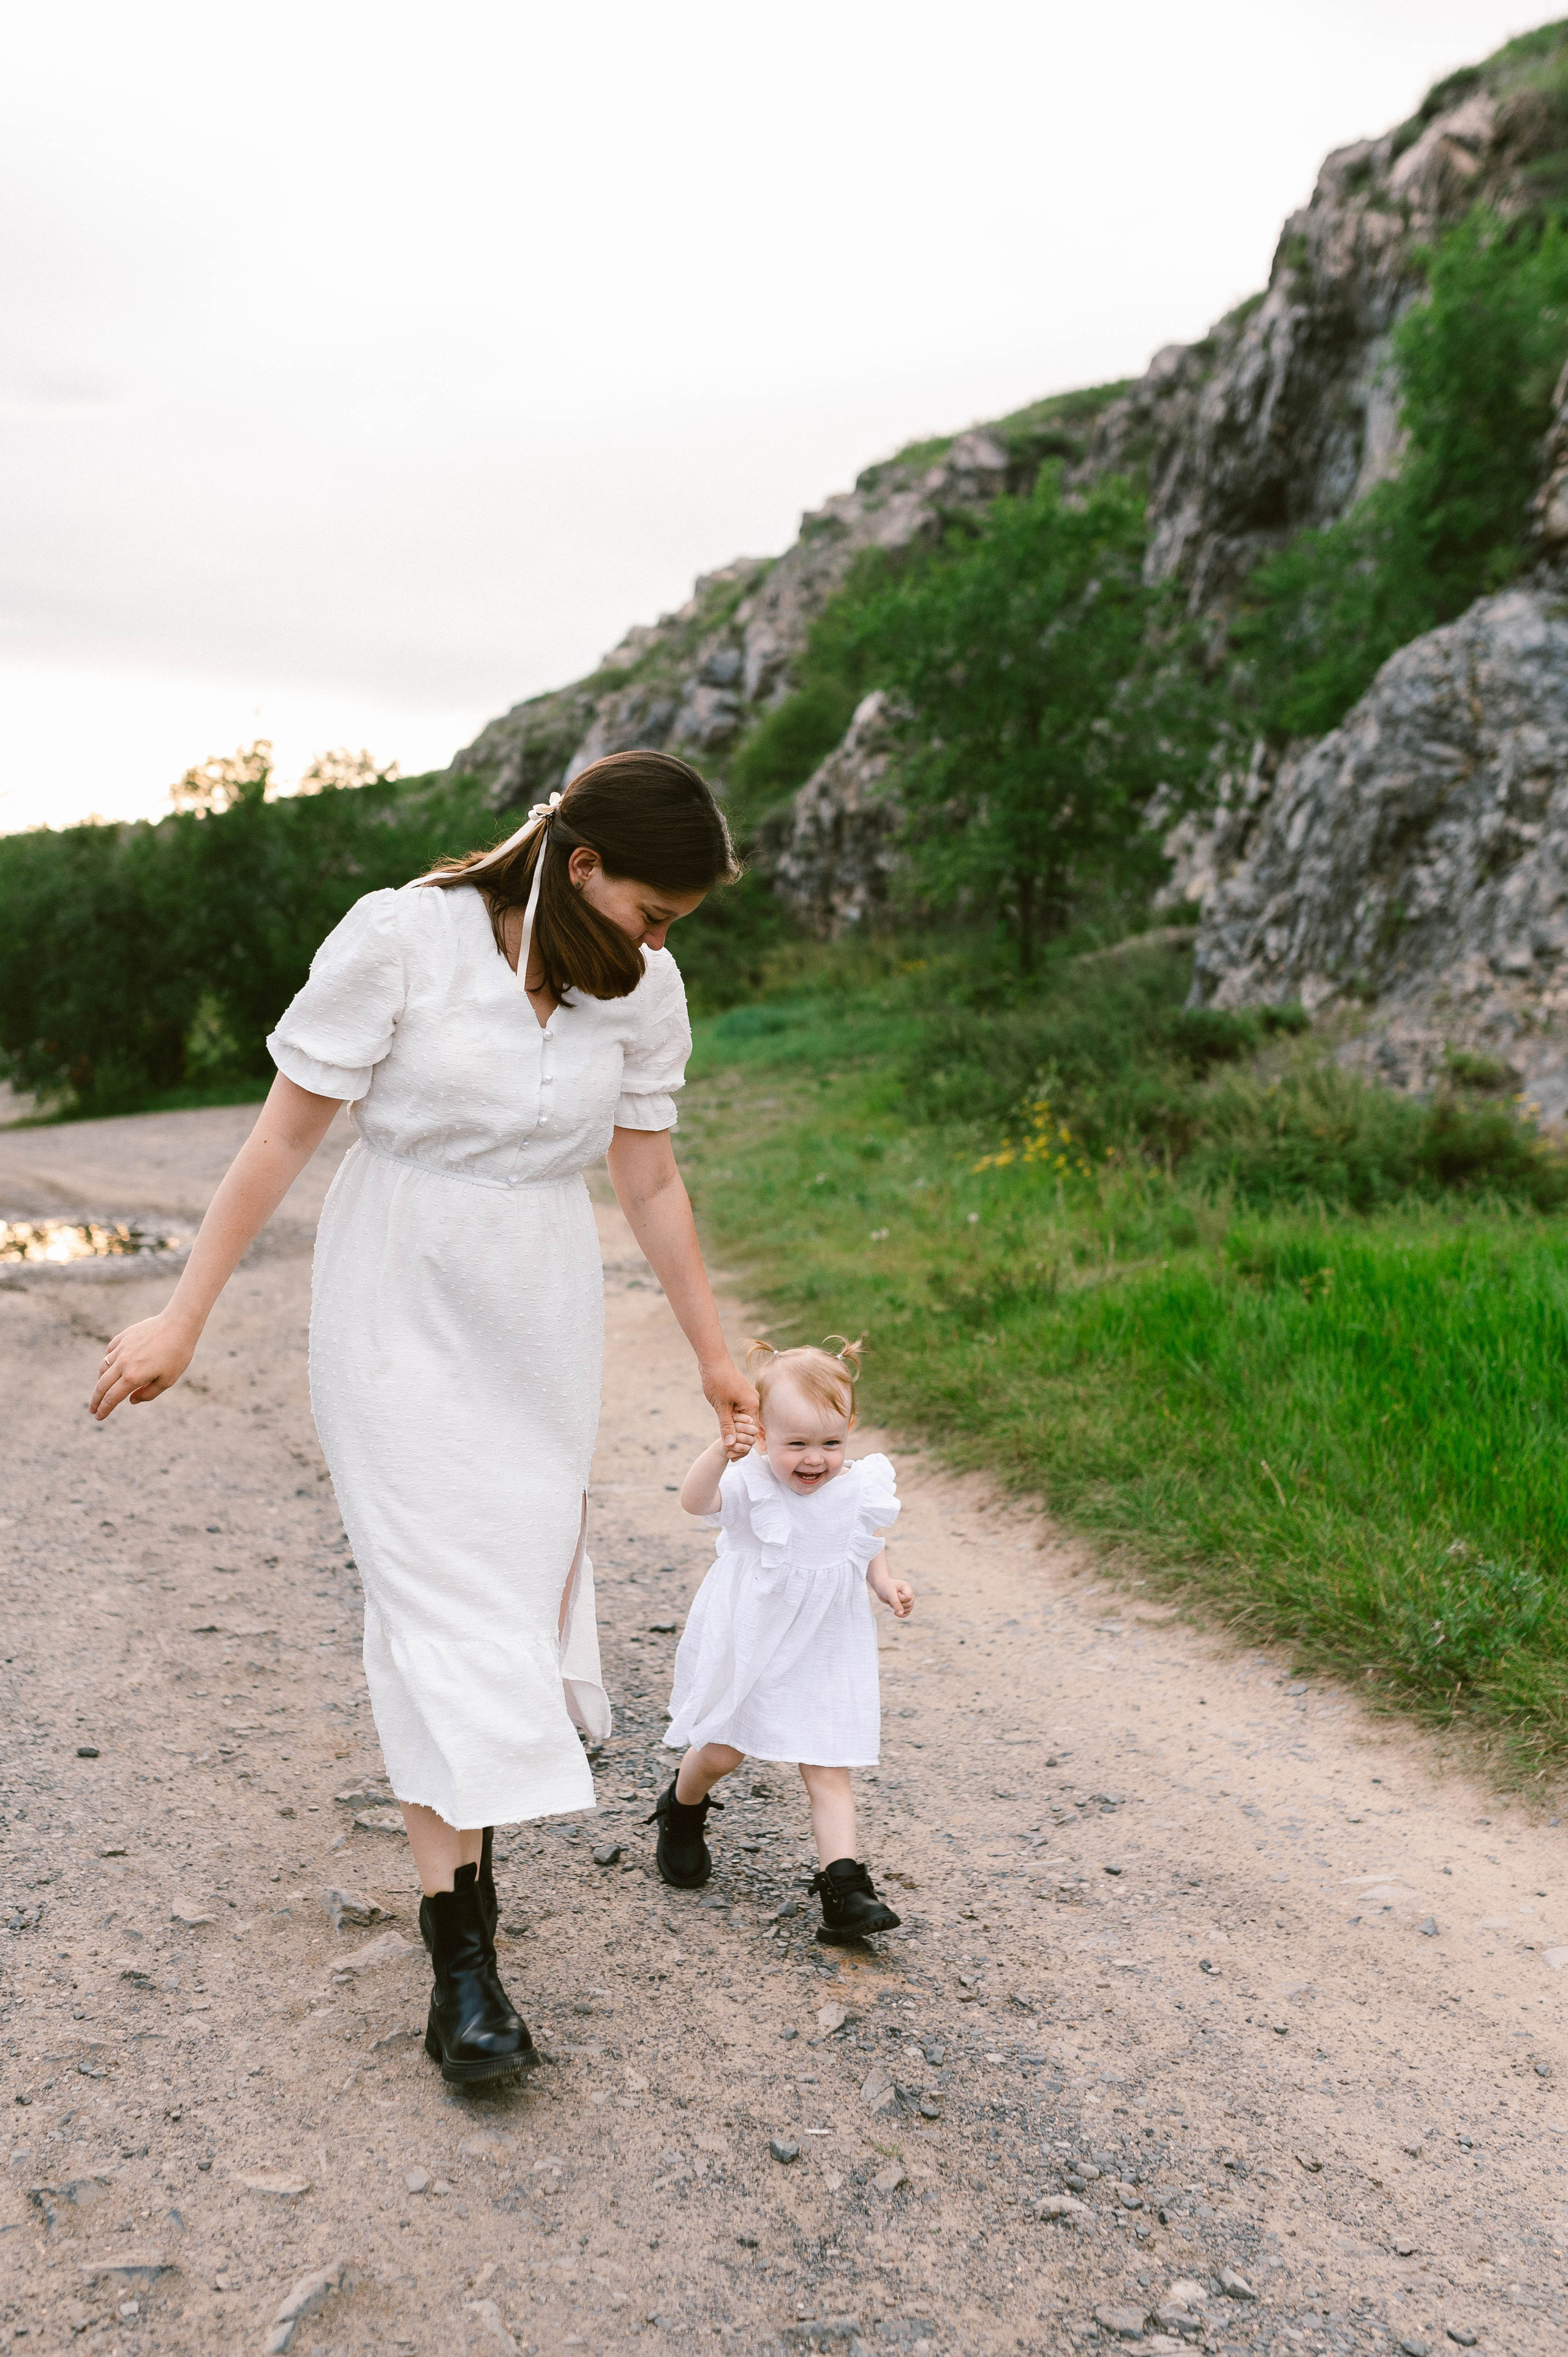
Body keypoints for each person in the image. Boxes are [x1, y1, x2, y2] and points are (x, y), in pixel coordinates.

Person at [88, 750, 758, 2085]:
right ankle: (465, 1963)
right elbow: (279, 1140)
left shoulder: (643, 991)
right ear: (582, 868)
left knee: (504, 1606)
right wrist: (181, 1317)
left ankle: (470, 1931)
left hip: (535, 1312)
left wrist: (713, 1355)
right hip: (394, 1294)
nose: (660, 939)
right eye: (651, 910)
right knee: (432, 1606)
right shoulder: (403, 939)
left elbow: (653, 1182)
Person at [654, 1337, 912, 1945]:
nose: (814, 1459)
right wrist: (722, 1450)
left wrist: (884, 1582)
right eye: (795, 1443)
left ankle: (844, 1891)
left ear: (848, 1429)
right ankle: (682, 1809)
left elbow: (864, 1543)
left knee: (829, 1767)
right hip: (756, 1642)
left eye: (829, 1442)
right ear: (763, 1435)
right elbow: (694, 1502)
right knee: (721, 1752)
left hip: (825, 1647)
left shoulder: (858, 1486)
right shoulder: (749, 1483)